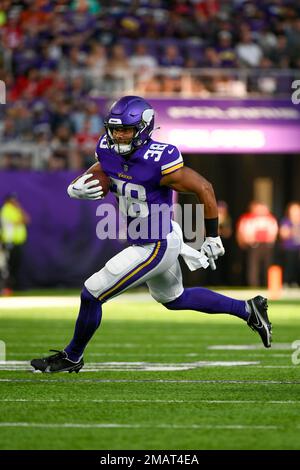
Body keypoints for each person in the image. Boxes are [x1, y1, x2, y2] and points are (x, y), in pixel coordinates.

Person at [31, 96, 272, 373]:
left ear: (144, 128)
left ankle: (72, 356)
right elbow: (103, 170)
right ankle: (247, 309)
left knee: (92, 293)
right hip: (152, 239)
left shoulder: (158, 159)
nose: (119, 135)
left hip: (155, 244)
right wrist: (77, 185)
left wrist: (212, 236)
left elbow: (204, 188)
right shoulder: (107, 149)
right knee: (175, 299)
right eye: (116, 129)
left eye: (127, 130)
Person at [236, 202, 278, 287]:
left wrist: (271, 240)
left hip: (267, 245)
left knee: (267, 265)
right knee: (253, 266)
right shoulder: (248, 218)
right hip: (254, 245)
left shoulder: (270, 218)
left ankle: (267, 284)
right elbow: (242, 231)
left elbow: (274, 231)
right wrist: (244, 241)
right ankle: (253, 284)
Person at [0, 193, 30, 294]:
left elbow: (27, 219)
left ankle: (13, 286)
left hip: (18, 242)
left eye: (15, 200)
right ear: (8, 201)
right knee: (8, 266)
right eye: (12, 200)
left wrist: (19, 208)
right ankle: (6, 288)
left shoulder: (16, 209)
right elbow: (19, 221)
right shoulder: (6, 209)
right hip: (9, 242)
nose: (14, 202)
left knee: (16, 265)